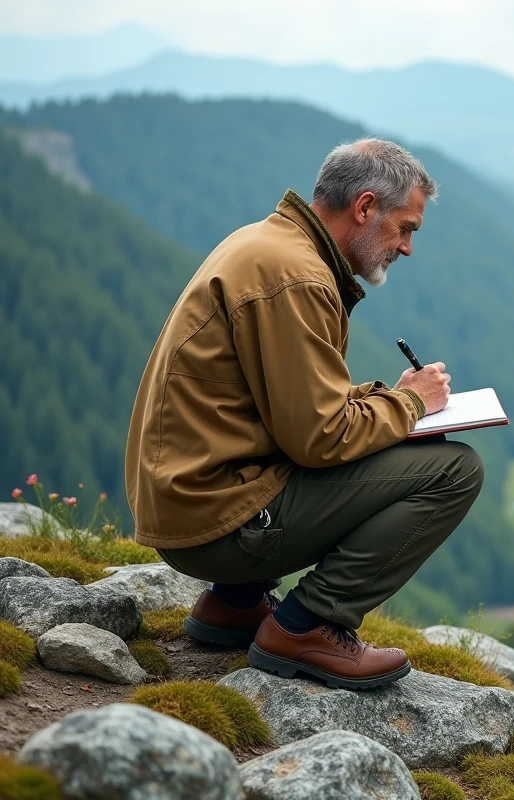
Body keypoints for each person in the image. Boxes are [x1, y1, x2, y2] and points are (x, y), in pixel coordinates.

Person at [125, 138, 484, 690]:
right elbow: (319, 439)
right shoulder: (297, 278)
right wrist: (411, 404)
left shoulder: (269, 244)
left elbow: (288, 403)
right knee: (455, 470)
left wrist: (390, 399)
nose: (408, 248)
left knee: (394, 442)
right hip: (215, 523)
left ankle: (237, 603)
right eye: (405, 228)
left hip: (189, 503)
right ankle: (308, 625)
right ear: (365, 208)